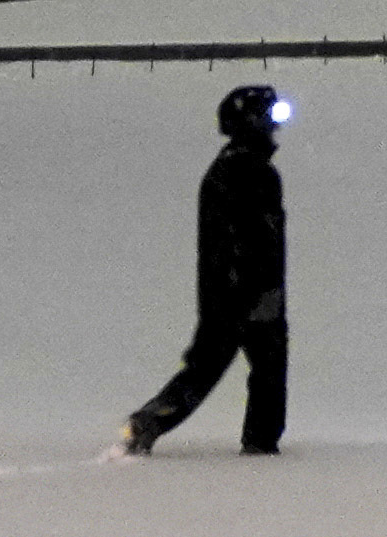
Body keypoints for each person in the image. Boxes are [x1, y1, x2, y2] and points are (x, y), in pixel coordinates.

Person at [121, 82, 289, 456]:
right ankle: (259, 442)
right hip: (243, 293)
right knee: (258, 367)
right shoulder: (243, 173)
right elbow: (245, 241)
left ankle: (150, 421)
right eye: (268, 116)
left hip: (235, 292)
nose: (274, 125)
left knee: (211, 367)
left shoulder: (240, 170)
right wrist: (253, 291)